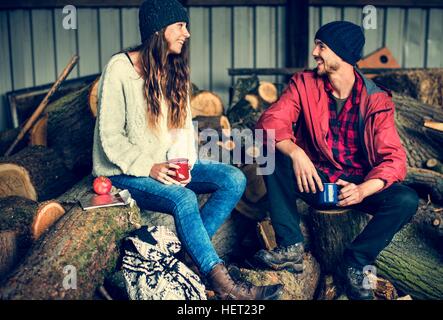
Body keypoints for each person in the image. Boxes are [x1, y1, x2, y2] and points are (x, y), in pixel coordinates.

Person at [92, 0, 283, 300]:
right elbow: (110, 137)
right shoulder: (120, 69)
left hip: (164, 169)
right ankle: (224, 284)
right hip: (124, 173)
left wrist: (184, 166)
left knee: (233, 178)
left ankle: (190, 259)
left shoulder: (175, 69)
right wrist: (150, 167)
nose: (187, 33)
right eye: (180, 26)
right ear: (158, 30)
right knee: (184, 197)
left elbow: (182, 129)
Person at [254, 21, 419, 300]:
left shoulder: (376, 100)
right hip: (315, 179)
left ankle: (355, 261)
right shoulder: (304, 84)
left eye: (322, 46)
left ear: (342, 54)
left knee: (405, 200)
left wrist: (363, 190)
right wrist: (297, 153)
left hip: (353, 187)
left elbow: (393, 158)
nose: (315, 52)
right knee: (271, 152)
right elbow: (271, 121)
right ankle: (291, 246)